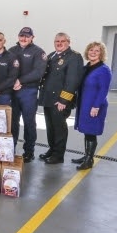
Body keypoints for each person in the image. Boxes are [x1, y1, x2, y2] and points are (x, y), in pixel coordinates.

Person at [38, 32, 84, 164]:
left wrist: (64, 100)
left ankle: (58, 155)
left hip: (60, 101)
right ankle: (52, 150)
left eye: (62, 41)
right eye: (57, 41)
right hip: (48, 98)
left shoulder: (74, 57)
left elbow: (72, 81)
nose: (59, 43)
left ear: (68, 42)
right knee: (50, 127)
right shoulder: (52, 55)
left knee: (59, 128)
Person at [8, 27, 47, 163]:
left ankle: (29, 151)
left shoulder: (38, 52)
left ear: (32, 38)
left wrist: (20, 81)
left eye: (27, 36)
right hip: (13, 91)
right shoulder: (12, 50)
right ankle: (10, 149)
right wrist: (12, 82)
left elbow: (38, 72)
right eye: (21, 35)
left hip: (28, 92)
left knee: (29, 122)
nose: (23, 38)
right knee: (12, 122)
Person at [72, 42, 112, 170]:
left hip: (94, 105)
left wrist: (96, 106)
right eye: (91, 50)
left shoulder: (104, 70)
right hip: (84, 103)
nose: (93, 53)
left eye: (97, 51)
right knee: (86, 130)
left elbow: (103, 90)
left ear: (101, 54)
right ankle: (87, 156)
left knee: (91, 132)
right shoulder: (86, 67)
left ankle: (89, 160)